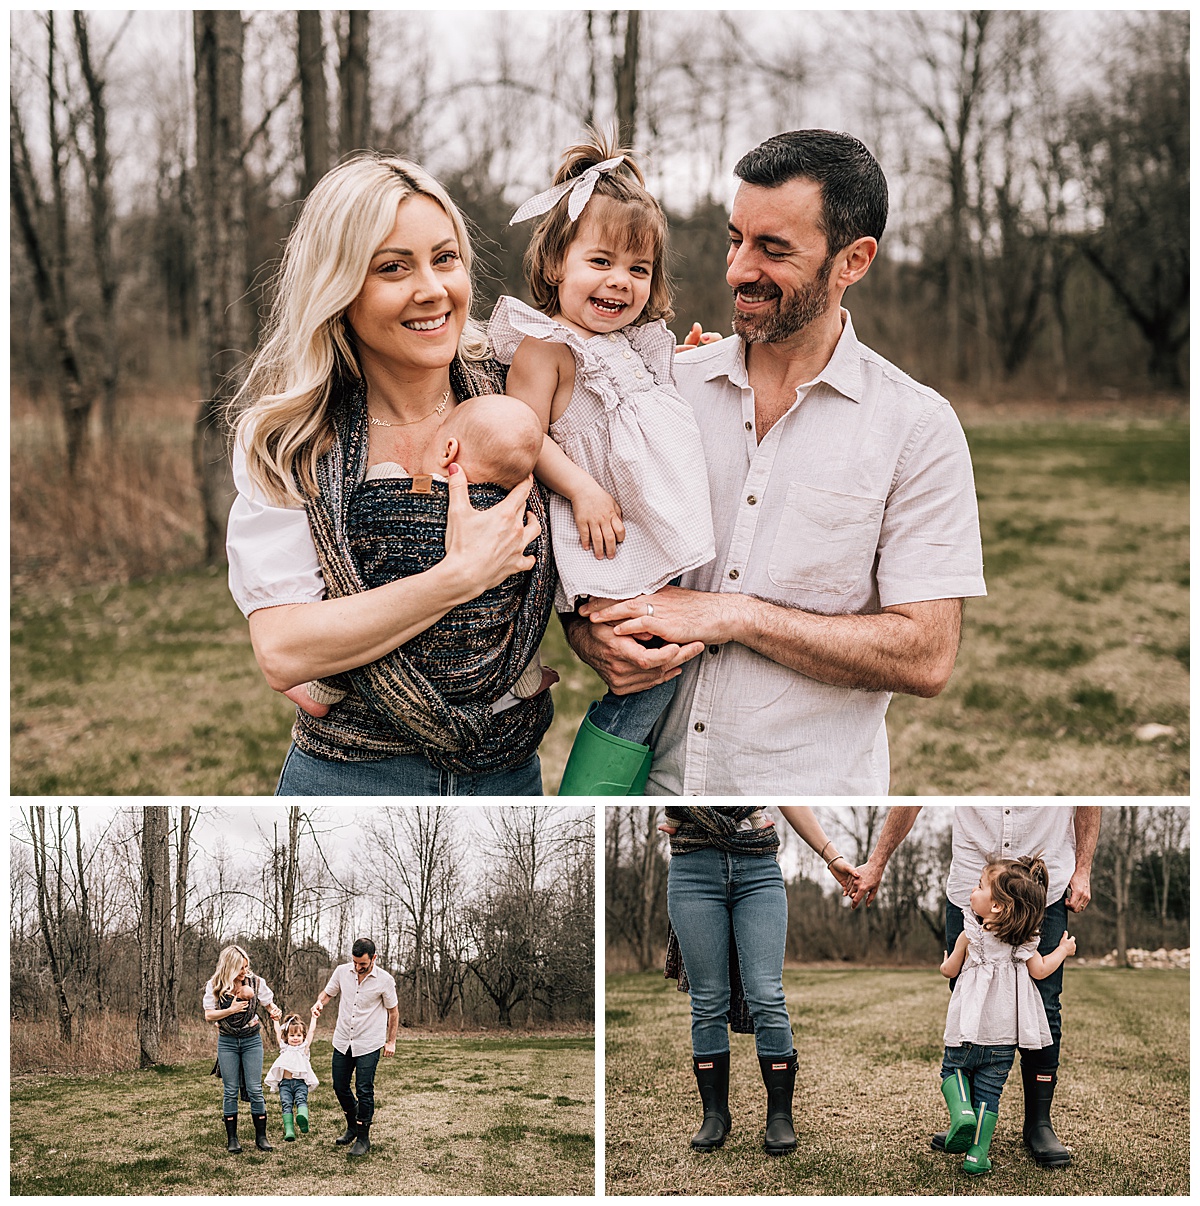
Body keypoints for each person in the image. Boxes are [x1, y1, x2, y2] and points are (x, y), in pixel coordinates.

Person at [561, 129, 986, 795]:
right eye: (736, 239)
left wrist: (735, 614)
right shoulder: (660, 388)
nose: (736, 270)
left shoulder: (918, 428)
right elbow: (580, 540)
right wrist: (589, 637)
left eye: (773, 249)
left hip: (805, 801)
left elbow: (927, 655)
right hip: (650, 797)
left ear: (854, 261)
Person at [225, 154, 555, 796]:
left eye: (445, 258)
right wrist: (458, 578)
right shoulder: (292, 438)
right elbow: (284, 649)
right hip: (351, 778)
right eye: (392, 268)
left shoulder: (520, 388)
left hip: (510, 773)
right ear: (340, 286)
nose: (432, 288)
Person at [491, 130, 716, 795]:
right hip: (608, 545)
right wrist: (583, 490)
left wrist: (692, 360)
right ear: (557, 262)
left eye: (638, 269)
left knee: (664, 673)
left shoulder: (631, 344)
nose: (620, 280)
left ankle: (630, 788)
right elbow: (519, 438)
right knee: (647, 675)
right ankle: (591, 795)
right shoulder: (547, 351)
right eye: (601, 261)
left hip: (647, 540)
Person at [851, 805, 1101, 1168]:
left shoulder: (976, 936)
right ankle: (969, 1129)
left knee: (1043, 1009)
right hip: (969, 873)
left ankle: (1038, 1123)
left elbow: (1087, 796)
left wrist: (1083, 868)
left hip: (1041, 892)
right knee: (968, 999)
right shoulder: (979, 914)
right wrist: (877, 861)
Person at [285, 393, 554, 716]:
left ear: (447, 451)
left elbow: (372, 501)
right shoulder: (511, 524)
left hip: (394, 653)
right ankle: (526, 680)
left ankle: (323, 689)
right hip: (477, 676)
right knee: (515, 606)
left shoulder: (395, 491)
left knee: (358, 594)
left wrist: (392, 476)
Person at [663, 805, 857, 1155]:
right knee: (708, 999)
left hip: (757, 865)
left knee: (767, 994)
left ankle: (780, 1115)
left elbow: (784, 793)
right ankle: (715, 1114)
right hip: (692, 867)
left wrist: (831, 857)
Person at [938, 856, 1076, 1175]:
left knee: (952, 1072)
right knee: (989, 1094)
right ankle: (977, 1155)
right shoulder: (1024, 944)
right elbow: (1041, 971)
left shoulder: (969, 936)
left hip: (967, 1032)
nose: (974, 890)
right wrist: (1064, 950)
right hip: (1004, 1040)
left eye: (980, 886)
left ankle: (961, 1114)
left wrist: (946, 960)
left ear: (997, 906)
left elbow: (949, 970)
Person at [312, 938, 398, 1158]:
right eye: (355, 962)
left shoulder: (385, 980)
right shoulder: (342, 972)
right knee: (339, 1086)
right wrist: (319, 1002)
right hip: (343, 1039)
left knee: (364, 1089)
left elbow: (393, 1012)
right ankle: (352, 1126)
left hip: (369, 1042)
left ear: (374, 959)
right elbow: (328, 993)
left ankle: (363, 1138)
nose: (358, 967)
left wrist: (391, 1041)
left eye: (363, 964)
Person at [202, 944, 282, 1154]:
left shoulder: (256, 982)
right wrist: (231, 1010)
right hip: (227, 1042)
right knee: (230, 1090)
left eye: (246, 967)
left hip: (251, 1040)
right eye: (240, 968)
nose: (245, 972)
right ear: (229, 968)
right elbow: (209, 1015)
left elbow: (269, 1003)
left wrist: (274, 1010)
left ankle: (261, 1137)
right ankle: (232, 1139)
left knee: (255, 1088)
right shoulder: (215, 984)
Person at [266, 1009, 321, 1141]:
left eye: (298, 1035)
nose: (295, 1038)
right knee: (286, 1104)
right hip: (285, 1083)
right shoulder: (284, 1048)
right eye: (292, 1035)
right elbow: (278, 1031)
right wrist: (275, 1020)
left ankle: (303, 1118)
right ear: (286, 1037)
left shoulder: (304, 1049)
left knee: (301, 1100)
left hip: (300, 1083)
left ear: (303, 1036)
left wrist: (314, 1017)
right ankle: (289, 1130)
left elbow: (312, 1032)